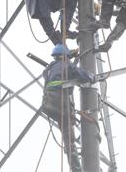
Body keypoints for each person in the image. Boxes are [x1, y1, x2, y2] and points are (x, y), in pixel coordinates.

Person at [41, 44, 94, 172]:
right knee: (70, 142)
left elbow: (63, 73)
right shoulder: (66, 65)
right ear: (64, 56)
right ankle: (77, 169)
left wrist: (72, 56)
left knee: (67, 140)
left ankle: (75, 168)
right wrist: (92, 77)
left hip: (49, 104)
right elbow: (80, 73)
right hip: (61, 105)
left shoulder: (49, 68)